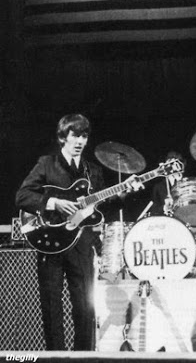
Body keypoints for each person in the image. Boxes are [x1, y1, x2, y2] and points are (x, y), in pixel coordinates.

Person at [15, 113, 141, 350]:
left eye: (84, 136)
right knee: (51, 305)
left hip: (81, 243)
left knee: (85, 306)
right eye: (75, 135)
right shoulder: (46, 164)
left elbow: (104, 207)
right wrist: (53, 202)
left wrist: (125, 192)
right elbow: (22, 196)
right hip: (49, 241)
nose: (80, 141)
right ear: (63, 137)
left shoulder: (92, 171)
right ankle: (56, 356)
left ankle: (82, 356)